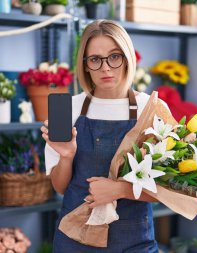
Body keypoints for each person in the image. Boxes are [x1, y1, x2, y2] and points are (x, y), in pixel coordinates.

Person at [41, 19, 165, 252]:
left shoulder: (150, 108)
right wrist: (67, 156)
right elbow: (60, 187)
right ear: (86, 65)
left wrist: (120, 190)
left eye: (114, 56)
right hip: (75, 237)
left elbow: (168, 190)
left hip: (134, 239)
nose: (105, 68)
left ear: (127, 58)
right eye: (95, 60)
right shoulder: (70, 108)